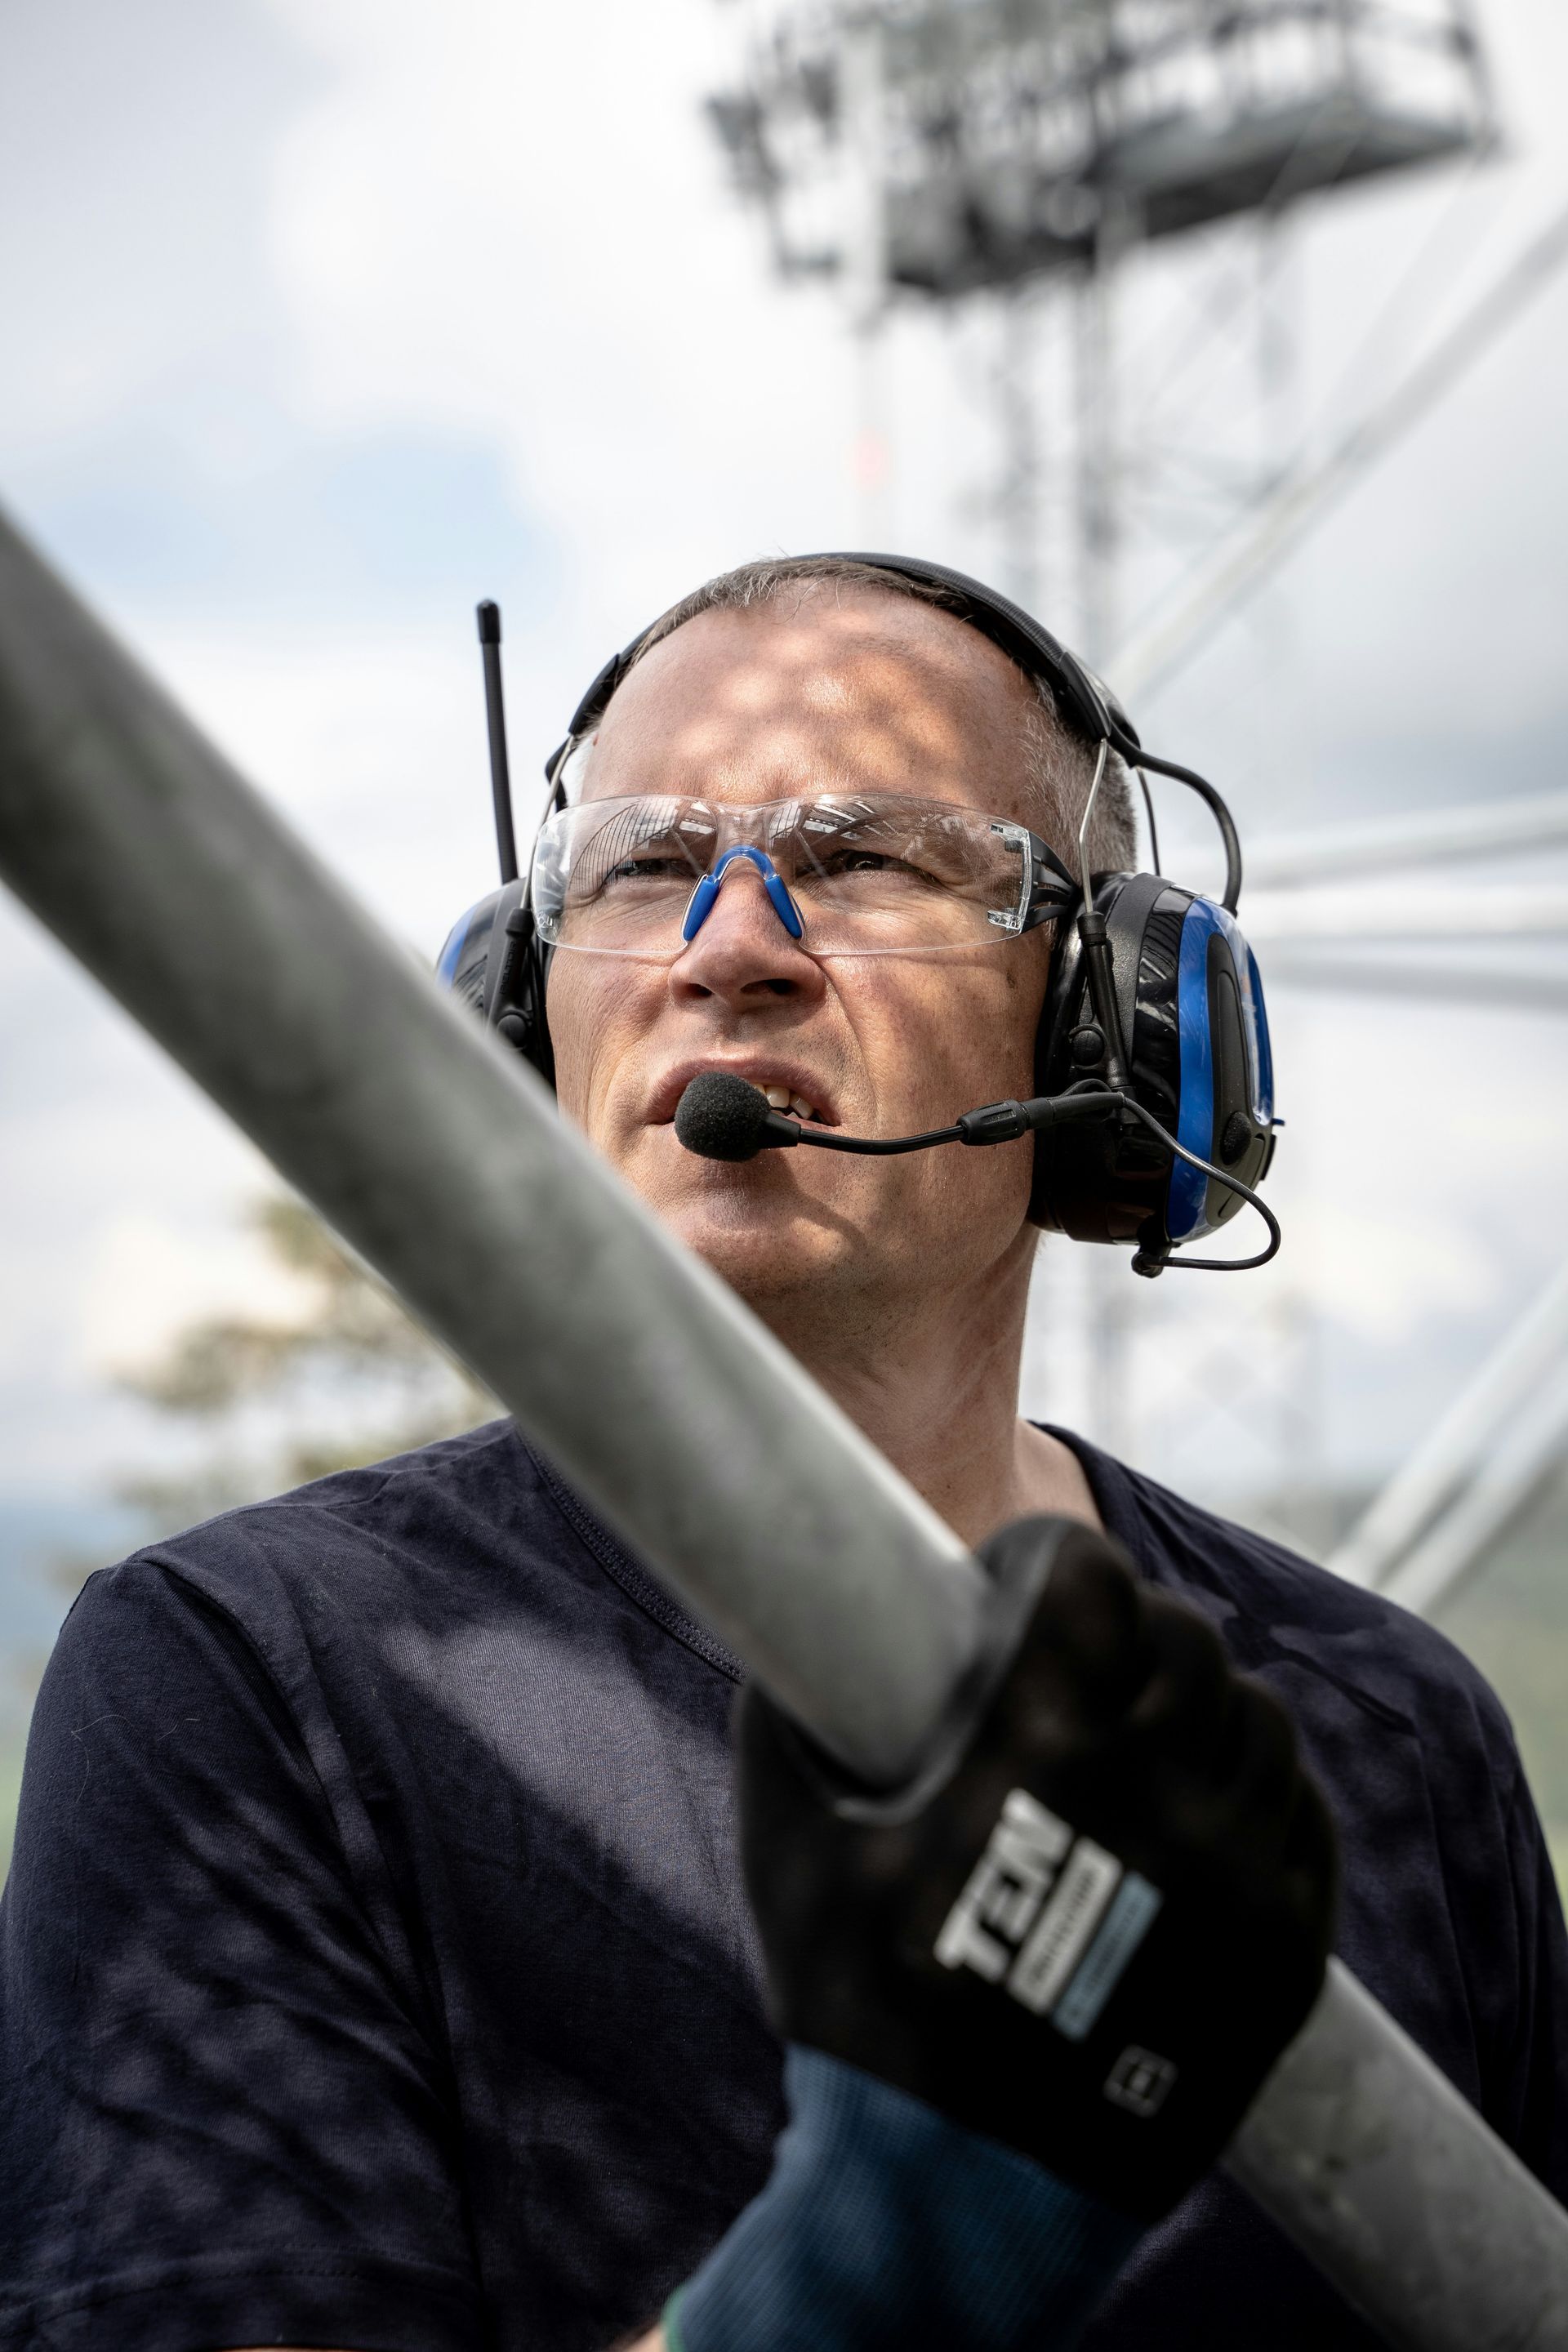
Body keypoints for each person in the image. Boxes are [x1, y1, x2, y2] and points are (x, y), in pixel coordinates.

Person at [0, 555, 1562, 2352]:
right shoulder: (250, 1677)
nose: (726, 946)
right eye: (645, 867)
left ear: (1117, 1022)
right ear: (523, 1011)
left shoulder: (1394, 1724)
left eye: (865, 857)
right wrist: (864, 2276)